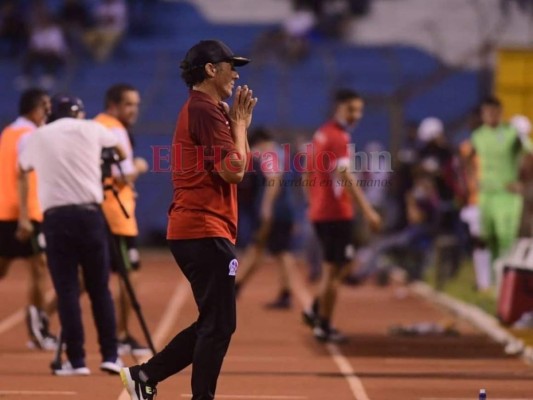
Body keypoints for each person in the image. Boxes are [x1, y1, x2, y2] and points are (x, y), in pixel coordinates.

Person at [120, 39, 257, 400]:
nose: (235, 73)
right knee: (220, 325)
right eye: (230, 65)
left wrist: (236, 126)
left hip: (198, 228)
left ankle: (145, 375)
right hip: (202, 227)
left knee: (216, 323)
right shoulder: (205, 109)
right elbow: (234, 172)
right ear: (211, 69)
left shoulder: (204, 108)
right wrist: (241, 125)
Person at [18, 94, 124, 376]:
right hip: (90, 215)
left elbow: (23, 168)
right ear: (78, 112)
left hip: (55, 219)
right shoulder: (91, 127)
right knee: (99, 288)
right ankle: (110, 355)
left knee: (66, 291)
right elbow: (121, 153)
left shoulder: (38, 136)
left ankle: (76, 361)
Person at [303, 89, 381, 342]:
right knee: (333, 272)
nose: (356, 115)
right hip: (336, 213)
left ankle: (316, 308)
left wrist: (312, 203)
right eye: (351, 110)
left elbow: (306, 171)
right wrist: (368, 211)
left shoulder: (321, 133)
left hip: (322, 212)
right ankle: (323, 324)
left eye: (359, 110)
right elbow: (346, 177)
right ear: (339, 108)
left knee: (341, 266)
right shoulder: (338, 137)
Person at [95, 83, 150, 357]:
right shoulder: (114, 129)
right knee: (130, 276)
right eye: (129, 104)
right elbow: (124, 173)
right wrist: (140, 165)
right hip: (116, 215)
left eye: (136, 104)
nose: (134, 110)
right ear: (113, 105)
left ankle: (43, 315)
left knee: (89, 276)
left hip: (101, 209)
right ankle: (120, 335)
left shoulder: (96, 125)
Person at [0, 88, 58, 351]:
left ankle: (38, 328)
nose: (49, 111)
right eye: (46, 106)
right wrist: (25, 216)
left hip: (4, 211)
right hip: (25, 214)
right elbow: (24, 175)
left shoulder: (9, 132)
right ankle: (38, 330)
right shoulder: (32, 136)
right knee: (39, 269)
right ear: (36, 109)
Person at [235, 128, 314, 311]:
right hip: (282, 210)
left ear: (260, 142)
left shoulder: (270, 154)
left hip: (276, 212)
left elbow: (274, 179)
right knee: (259, 248)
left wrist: (266, 207)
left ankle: (284, 293)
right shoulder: (278, 153)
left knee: (279, 251)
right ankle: (237, 286)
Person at [466, 97, 532, 271]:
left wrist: (523, 183)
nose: (491, 116)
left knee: (506, 235)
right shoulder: (478, 135)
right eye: (487, 113)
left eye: (494, 112)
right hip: (486, 194)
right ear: (483, 114)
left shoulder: (512, 133)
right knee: (488, 237)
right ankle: (496, 281)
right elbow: (467, 158)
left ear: (500, 113)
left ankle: (507, 276)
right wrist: (472, 180)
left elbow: (529, 154)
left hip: (507, 194)